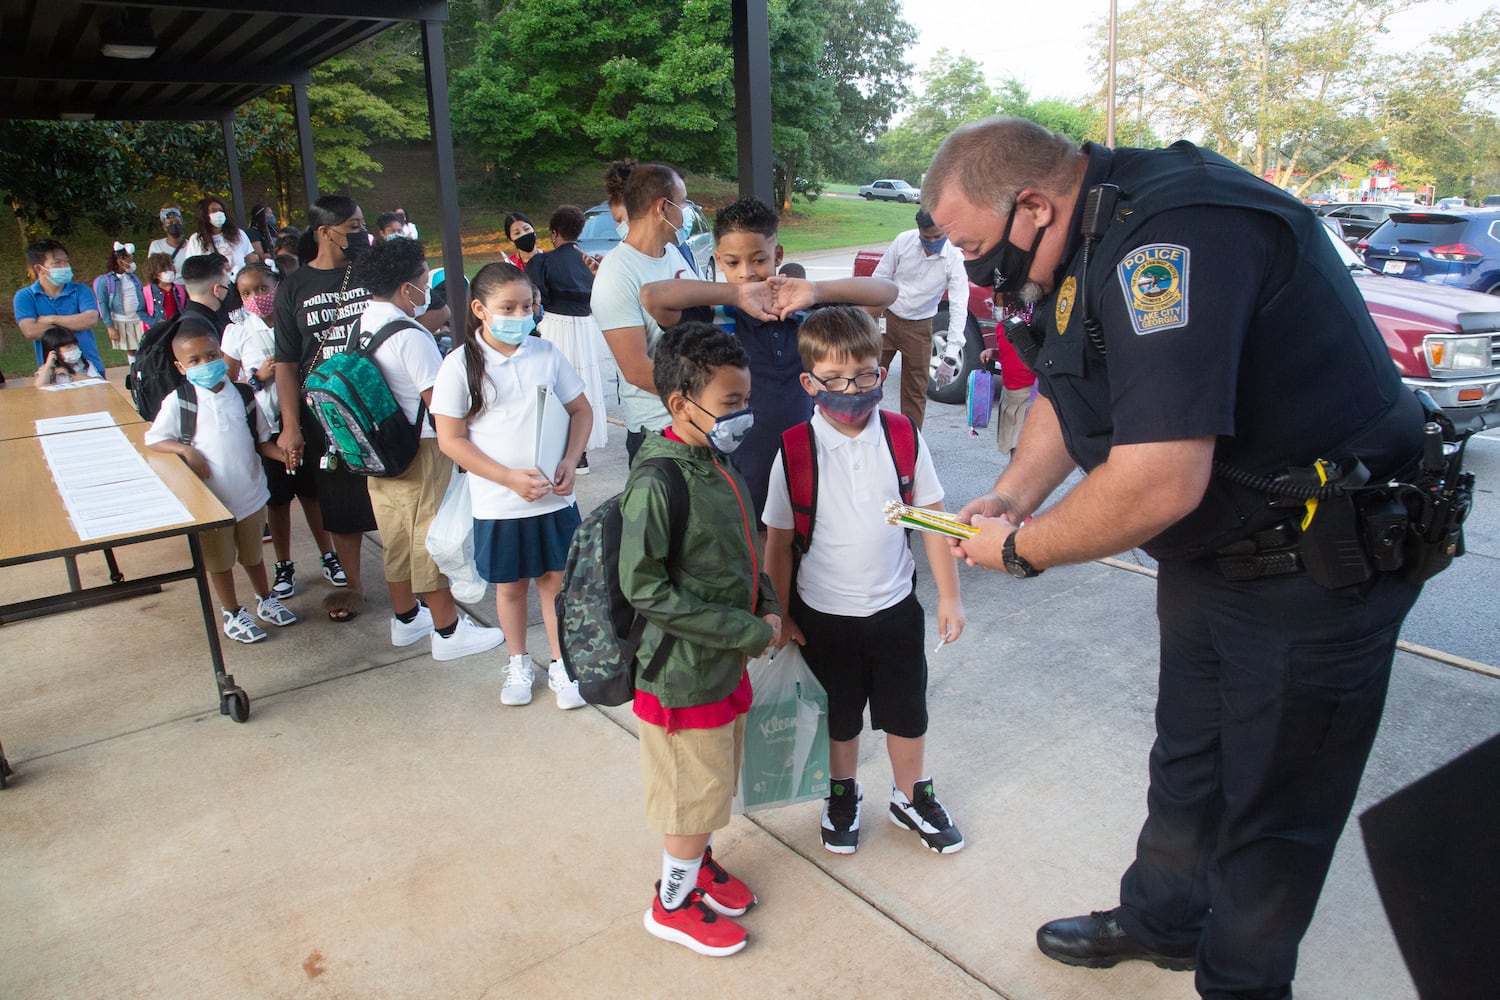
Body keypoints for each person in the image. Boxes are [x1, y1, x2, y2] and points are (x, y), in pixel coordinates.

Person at [926, 116, 1428, 999]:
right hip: (1217, 554)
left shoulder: (1178, 234)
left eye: (975, 246)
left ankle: (1240, 984)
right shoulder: (1083, 234)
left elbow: (1160, 480)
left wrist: (1024, 549)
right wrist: (1015, 496)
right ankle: (1164, 920)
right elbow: (1069, 381)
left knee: (1277, 806)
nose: (973, 267)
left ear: (1033, 204)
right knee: (1189, 756)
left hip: (1318, 565)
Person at [761, 305, 966, 857]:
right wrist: (779, 615)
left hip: (896, 608)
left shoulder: (902, 437)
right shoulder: (795, 451)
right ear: (809, 383)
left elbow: (932, 518)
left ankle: (910, 795)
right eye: (835, 381)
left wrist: (949, 595)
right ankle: (842, 793)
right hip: (824, 615)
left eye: (867, 376)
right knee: (839, 716)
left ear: (882, 371)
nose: (852, 391)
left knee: (907, 710)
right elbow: (778, 541)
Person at [617, 321, 781, 957]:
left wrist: (765, 602)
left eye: (746, 401)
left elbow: (745, 544)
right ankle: (672, 902)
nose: (744, 415)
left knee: (712, 784)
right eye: (732, 404)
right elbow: (646, 588)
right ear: (682, 404)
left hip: (720, 663)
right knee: (689, 799)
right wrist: (745, 628)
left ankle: (699, 865)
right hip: (684, 674)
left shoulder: (716, 460)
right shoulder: (659, 481)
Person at [640, 196, 897, 525]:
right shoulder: (716, 315)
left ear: (777, 255)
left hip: (806, 460)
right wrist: (734, 295)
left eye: (758, 260)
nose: (747, 274)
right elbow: (652, 297)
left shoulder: (806, 311)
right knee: (757, 550)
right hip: (742, 469)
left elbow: (885, 293)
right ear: (718, 260)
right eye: (732, 263)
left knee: (803, 545)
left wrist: (816, 291)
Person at [431, 263, 592, 708]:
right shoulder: (459, 365)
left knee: (556, 583)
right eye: (508, 307)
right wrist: (506, 478)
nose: (520, 315)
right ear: (481, 309)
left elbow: (581, 410)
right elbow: (451, 439)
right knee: (510, 587)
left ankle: (562, 666)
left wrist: (569, 460)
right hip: (499, 503)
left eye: (527, 306)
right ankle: (518, 662)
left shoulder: (545, 354)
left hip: (554, 499)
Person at [342, 237, 506, 660]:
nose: (425, 290)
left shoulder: (363, 322)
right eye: (421, 281)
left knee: (396, 535)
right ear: (404, 288)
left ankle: (405, 618)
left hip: (378, 452)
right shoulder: (408, 335)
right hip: (420, 452)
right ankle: (449, 631)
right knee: (431, 538)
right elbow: (441, 404)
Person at [145, 326, 297, 644]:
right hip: (212, 502)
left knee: (253, 554)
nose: (207, 363)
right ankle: (232, 612)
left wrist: (283, 455)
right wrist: (186, 449)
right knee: (220, 560)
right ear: (180, 367)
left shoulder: (243, 395)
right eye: (195, 359)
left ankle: (264, 598)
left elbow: (261, 441)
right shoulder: (180, 402)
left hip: (250, 494)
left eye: (212, 356)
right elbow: (155, 440)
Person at [272, 195, 378, 622]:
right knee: (341, 502)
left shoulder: (371, 271)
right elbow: (286, 362)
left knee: (394, 496)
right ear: (324, 231)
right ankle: (352, 588)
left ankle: (414, 586)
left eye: (362, 224)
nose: (360, 232)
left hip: (376, 403)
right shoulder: (294, 287)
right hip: (326, 413)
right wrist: (290, 426)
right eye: (352, 226)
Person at [221, 263, 335, 602]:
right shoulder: (238, 331)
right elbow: (227, 381)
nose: (256, 298)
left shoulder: (293, 318)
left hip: (305, 419)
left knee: (312, 494)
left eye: (262, 288)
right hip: (267, 429)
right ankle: (284, 563)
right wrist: (258, 375)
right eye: (246, 293)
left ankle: (328, 554)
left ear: (277, 285)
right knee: (278, 500)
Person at [591, 162, 698, 463]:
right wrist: (705, 394)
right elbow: (637, 369)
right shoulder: (617, 274)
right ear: (663, 207)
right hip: (658, 435)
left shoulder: (672, 253)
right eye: (684, 201)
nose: (686, 210)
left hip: (694, 423)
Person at [869, 208, 969, 430]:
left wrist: (951, 354)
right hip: (888, 316)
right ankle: (865, 429)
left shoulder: (954, 257)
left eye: (937, 237)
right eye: (927, 238)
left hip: (920, 325)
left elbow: (959, 305)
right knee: (869, 378)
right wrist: (869, 318)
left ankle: (911, 439)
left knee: (915, 389)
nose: (932, 242)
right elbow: (880, 278)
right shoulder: (903, 242)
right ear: (919, 231)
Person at [527, 204, 608, 472]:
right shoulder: (589, 261)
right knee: (584, 385)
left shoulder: (542, 261)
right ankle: (581, 451)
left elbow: (539, 298)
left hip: (556, 325)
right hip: (586, 327)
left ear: (554, 233)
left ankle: (558, 447)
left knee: (557, 385)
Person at [13, 239, 104, 376]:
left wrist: (50, 319)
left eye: (66, 261)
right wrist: (74, 322)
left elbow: (90, 320)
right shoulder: (25, 296)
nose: (65, 266)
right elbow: (31, 331)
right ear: (39, 268)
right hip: (52, 373)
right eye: (57, 263)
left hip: (90, 368)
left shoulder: (81, 290)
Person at [978, 334, 1037, 460]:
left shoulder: (1035, 318)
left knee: (1023, 448)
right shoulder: (1004, 323)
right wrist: (994, 353)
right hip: (1010, 393)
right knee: (1014, 447)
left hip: (1029, 393)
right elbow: (1011, 352)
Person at [93, 241, 150, 365]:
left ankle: (145, 369)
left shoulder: (133, 278)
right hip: (123, 319)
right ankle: (134, 371)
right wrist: (110, 327)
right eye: (129, 260)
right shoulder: (105, 281)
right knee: (131, 348)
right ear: (119, 260)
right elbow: (103, 303)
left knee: (144, 346)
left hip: (139, 317)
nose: (132, 264)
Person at [181, 196, 259, 278]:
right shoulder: (196, 239)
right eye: (214, 211)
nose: (218, 214)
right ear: (204, 215)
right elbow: (192, 267)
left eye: (221, 210)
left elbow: (251, 258)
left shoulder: (238, 234)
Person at [32, 326, 103, 386]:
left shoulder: (85, 365)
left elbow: (100, 383)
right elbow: (39, 386)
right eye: (68, 347)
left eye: (75, 345)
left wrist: (72, 374)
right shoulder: (48, 369)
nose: (74, 349)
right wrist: (48, 366)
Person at [141, 252, 186, 331]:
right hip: (158, 330)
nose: (169, 272)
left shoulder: (179, 289)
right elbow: (141, 311)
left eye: (170, 268)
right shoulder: (147, 292)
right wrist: (153, 322)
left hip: (178, 328)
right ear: (154, 274)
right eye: (164, 270)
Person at [146, 204, 189, 275]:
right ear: (164, 227)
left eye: (177, 222)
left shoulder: (192, 245)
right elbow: (152, 272)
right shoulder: (157, 246)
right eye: (170, 223)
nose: (174, 225)